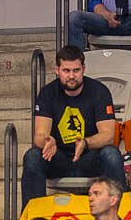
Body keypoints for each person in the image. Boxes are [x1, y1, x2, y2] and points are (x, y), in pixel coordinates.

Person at [23, 46, 124, 205]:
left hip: (89, 158)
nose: (71, 76)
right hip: (58, 158)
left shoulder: (99, 92)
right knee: (32, 156)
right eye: (66, 71)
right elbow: (39, 135)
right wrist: (48, 141)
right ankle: (33, 217)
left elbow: (108, 135)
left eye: (76, 70)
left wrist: (86, 142)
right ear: (57, 70)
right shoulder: (47, 93)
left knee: (111, 154)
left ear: (83, 69)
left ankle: (118, 213)